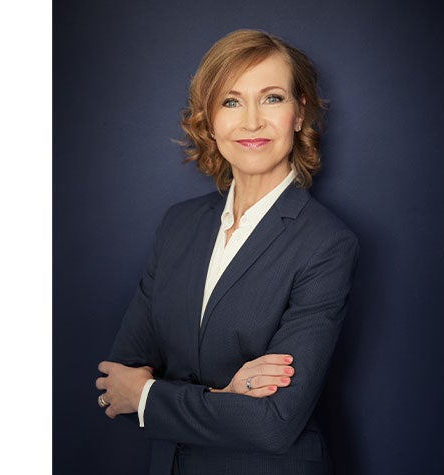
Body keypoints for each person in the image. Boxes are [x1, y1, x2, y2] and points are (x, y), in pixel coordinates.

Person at [95, 29, 359, 475]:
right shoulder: (178, 225)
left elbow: (274, 423)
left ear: (299, 113)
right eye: (231, 101)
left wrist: (150, 397)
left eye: (272, 98)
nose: (251, 122)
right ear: (210, 120)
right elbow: (117, 381)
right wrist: (224, 397)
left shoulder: (326, 243)